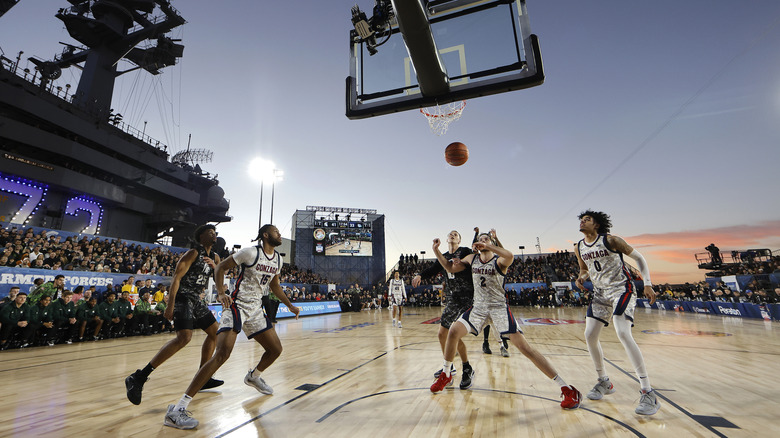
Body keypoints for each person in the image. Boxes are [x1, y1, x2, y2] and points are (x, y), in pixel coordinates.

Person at [163, 224, 301, 430]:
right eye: (276, 232)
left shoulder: (278, 259)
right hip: (236, 305)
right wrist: (220, 293)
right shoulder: (250, 252)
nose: (279, 234)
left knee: (275, 350)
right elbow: (220, 267)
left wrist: (290, 305)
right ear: (265, 235)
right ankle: (178, 409)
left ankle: (254, 376)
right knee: (222, 354)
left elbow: (274, 285)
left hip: (255, 309)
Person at [429, 231, 582, 410]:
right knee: (453, 331)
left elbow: (509, 255)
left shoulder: (499, 260)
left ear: (492, 243)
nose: (482, 241)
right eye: (480, 240)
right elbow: (449, 267)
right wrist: (436, 251)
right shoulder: (472, 259)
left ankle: (567, 388)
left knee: (525, 348)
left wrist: (488, 246)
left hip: (498, 308)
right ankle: (446, 373)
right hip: (479, 307)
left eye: (486, 239)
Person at [125, 224, 224, 405]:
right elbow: (177, 278)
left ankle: (203, 377)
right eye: (209, 231)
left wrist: (216, 267)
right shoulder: (193, 253)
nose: (213, 233)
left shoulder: (215, 257)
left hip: (196, 299)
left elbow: (219, 277)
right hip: (183, 297)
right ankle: (139, 377)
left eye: (214, 232)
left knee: (214, 332)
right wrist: (170, 304)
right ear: (201, 237)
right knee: (184, 338)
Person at [574, 210, 660, 415]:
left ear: (596, 225)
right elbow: (584, 268)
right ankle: (604, 382)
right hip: (600, 293)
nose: (582, 222)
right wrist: (581, 277)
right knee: (589, 335)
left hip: (622, 289)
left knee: (622, 332)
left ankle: (648, 391)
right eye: (581, 220)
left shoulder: (611, 240)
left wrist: (647, 284)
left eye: (587, 220)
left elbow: (640, 259)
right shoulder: (578, 246)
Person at [412, 230, 474, 388]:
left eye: (456, 234)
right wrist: (420, 275)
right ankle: (450, 368)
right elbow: (433, 269)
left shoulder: (465, 251)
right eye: (450, 234)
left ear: (459, 240)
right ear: (447, 239)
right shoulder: (443, 256)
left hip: (468, 298)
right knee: (442, 333)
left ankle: (467, 368)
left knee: (455, 333)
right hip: (453, 299)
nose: (453, 235)